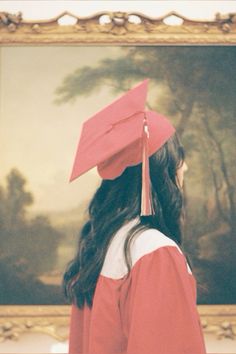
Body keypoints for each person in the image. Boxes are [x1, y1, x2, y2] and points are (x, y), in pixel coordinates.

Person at [63, 79, 207, 354]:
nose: (184, 167)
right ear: (157, 169)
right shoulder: (155, 253)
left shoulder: (101, 245)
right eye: (178, 156)